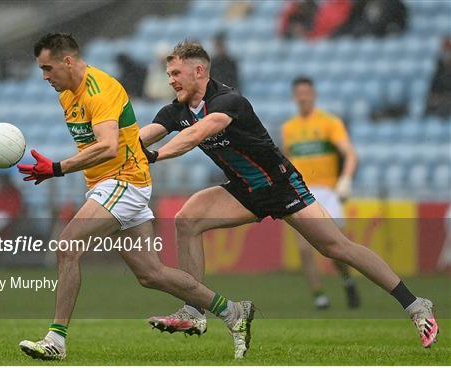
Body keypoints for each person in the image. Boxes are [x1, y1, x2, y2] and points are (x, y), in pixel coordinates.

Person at [139, 41, 439, 349]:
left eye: (176, 73)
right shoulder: (176, 110)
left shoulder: (229, 100)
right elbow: (142, 136)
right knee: (186, 220)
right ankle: (193, 310)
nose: (171, 80)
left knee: (336, 247)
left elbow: (195, 135)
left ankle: (416, 305)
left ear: (199, 71)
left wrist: (154, 156)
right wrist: (112, 147)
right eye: (169, 73)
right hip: (245, 189)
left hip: (280, 185)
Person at [16, 33, 254, 361]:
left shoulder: (100, 89)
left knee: (68, 245)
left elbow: (109, 145)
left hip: (124, 182)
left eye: (48, 68)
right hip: (108, 185)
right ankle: (232, 311)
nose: (44, 77)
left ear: (67, 61)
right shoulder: (68, 95)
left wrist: (58, 168)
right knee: (150, 274)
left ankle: (56, 340)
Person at [281, 76, 360, 309]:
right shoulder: (289, 128)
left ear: (313, 94)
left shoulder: (329, 122)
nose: (303, 97)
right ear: (294, 97)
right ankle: (319, 296)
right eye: (299, 93)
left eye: (307, 92)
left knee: (336, 250)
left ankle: (347, 280)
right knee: (305, 248)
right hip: (300, 192)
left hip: (327, 192)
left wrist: (345, 180)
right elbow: (286, 162)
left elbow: (351, 154)